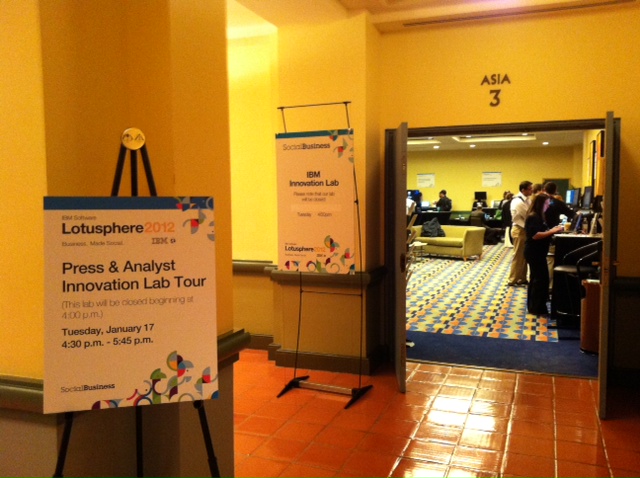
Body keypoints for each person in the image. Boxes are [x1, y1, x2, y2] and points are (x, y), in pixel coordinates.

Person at [524, 193, 564, 315]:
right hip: (534, 251)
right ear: (540, 204)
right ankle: (536, 307)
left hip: (537, 251)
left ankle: (535, 306)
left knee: (537, 279)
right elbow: (535, 235)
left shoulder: (538, 216)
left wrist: (551, 231)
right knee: (540, 279)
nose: (548, 205)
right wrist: (552, 231)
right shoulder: (534, 217)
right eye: (546, 203)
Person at [508, 180, 533, 286]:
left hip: (525, 230)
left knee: (524, 255)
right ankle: (512, 279)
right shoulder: (517, 201)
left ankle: (522, 278)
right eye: (530, 189)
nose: (532, 191)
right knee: (518, 256)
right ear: (523, 190)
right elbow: (528, 215)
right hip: (519, 230)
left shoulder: (527, 200)